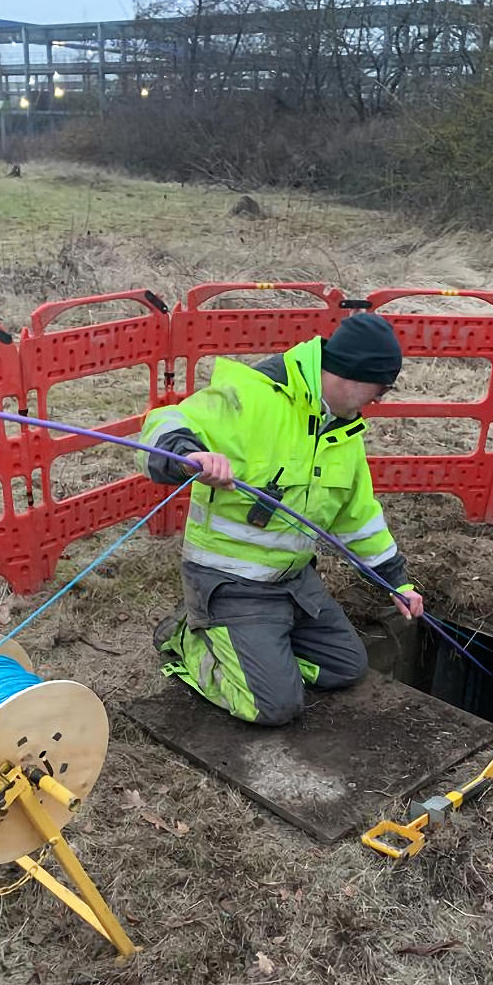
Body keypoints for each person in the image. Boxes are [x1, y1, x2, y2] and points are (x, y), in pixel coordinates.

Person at [137, 311, 425, 725]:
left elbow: (359, 518)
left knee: (347, 667)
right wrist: (188, 454)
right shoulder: (254, 395)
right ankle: (191, 642)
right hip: (230, 583)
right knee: (274, 707)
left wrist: (395, 582)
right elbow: (164, 422)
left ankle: (261, 652)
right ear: (351, 376)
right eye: (377, 392)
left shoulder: (342, 432)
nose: (375, 403)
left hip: (292, 584)